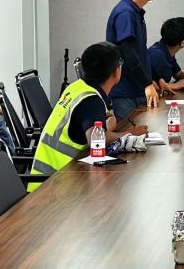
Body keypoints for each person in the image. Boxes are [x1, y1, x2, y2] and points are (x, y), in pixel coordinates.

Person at [28, 42, 148, 191]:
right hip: (55, 186)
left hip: (51, 179)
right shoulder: (91, 100)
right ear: (115, 72)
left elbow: (99, 121)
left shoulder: (77, 87)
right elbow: (96, 141)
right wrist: (131, 133)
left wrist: (107, 124)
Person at [106, 0, 160, 120]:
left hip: (136, 88)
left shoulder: (133, 11)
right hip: (127, 91)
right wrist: (147, 83)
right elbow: (128, 51)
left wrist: (156, 79)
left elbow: (140, 51)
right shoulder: (126, 13)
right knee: (132, 132)